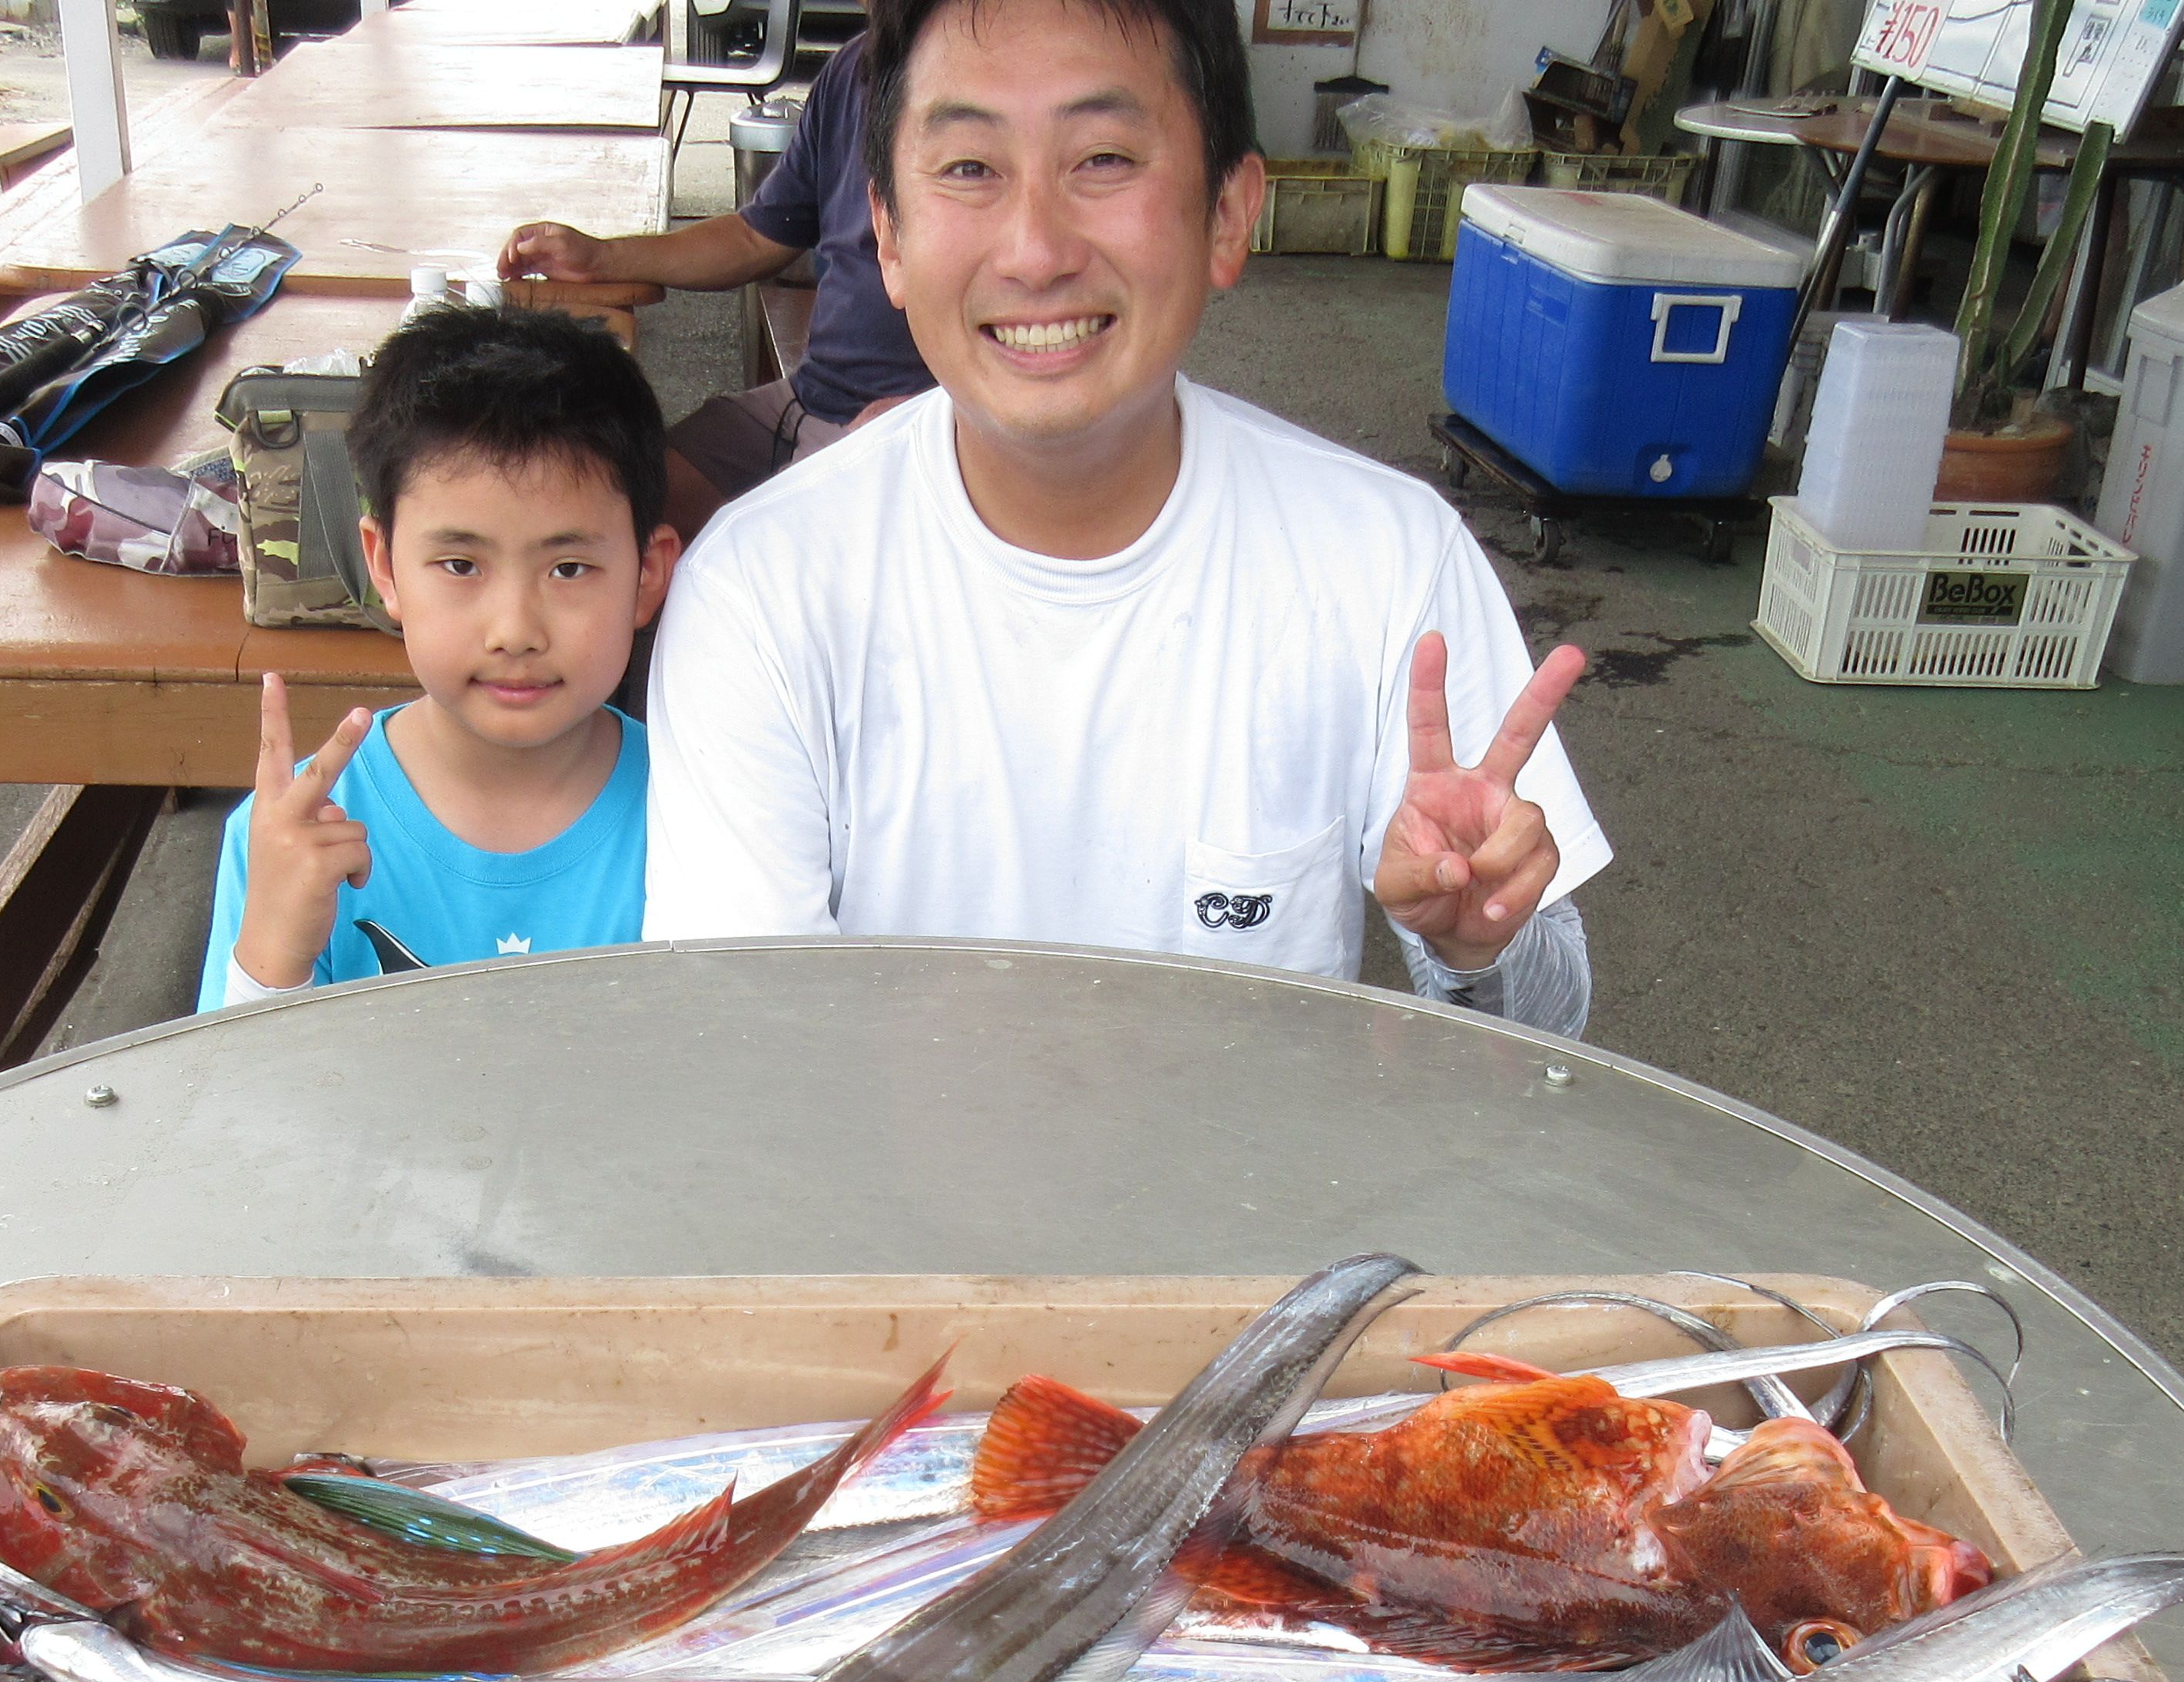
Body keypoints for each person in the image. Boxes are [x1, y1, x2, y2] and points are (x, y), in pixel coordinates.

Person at [638, 0, 1607, 1032]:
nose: (1035, 250)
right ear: (890, 235)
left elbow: (1543, 1038)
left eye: (1102, 159)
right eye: (969, 167)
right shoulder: (760, 594)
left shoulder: (1386, 561)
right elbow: (741, 1055)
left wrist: (1479, 943)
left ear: (1228, 214)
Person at [200, 304, 679, 1011]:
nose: (514, 631)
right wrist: (273, 956)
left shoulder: (698, 807)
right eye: (460, 565)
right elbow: (225, 1079)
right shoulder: (289, 833)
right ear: (384, 567)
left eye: (569, 569)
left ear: (647, 575)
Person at [502, 31, 931, 531]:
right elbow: (754, 238)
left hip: (904, 427)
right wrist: (600, 258)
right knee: (608, 509)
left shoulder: (975, 83)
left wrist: (936, 416)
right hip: (808, 397)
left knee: (723, 555)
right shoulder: (853, 69)